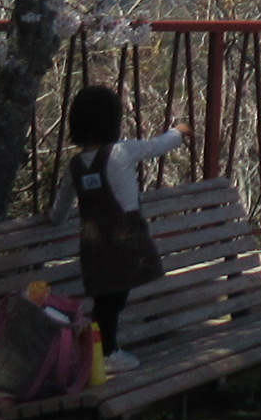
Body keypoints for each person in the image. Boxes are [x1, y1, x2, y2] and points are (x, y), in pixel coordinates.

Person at [59, 85, 189, 369]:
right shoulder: (121, 152)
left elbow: (60, 207)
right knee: (114, 298)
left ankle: (102, 348)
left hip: (93, 241)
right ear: (112, 122)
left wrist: (52, 218)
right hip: (125, 236)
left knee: (104, 295)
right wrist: (179, 131)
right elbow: (158, 145)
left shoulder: (75, 165)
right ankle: (107, 352)